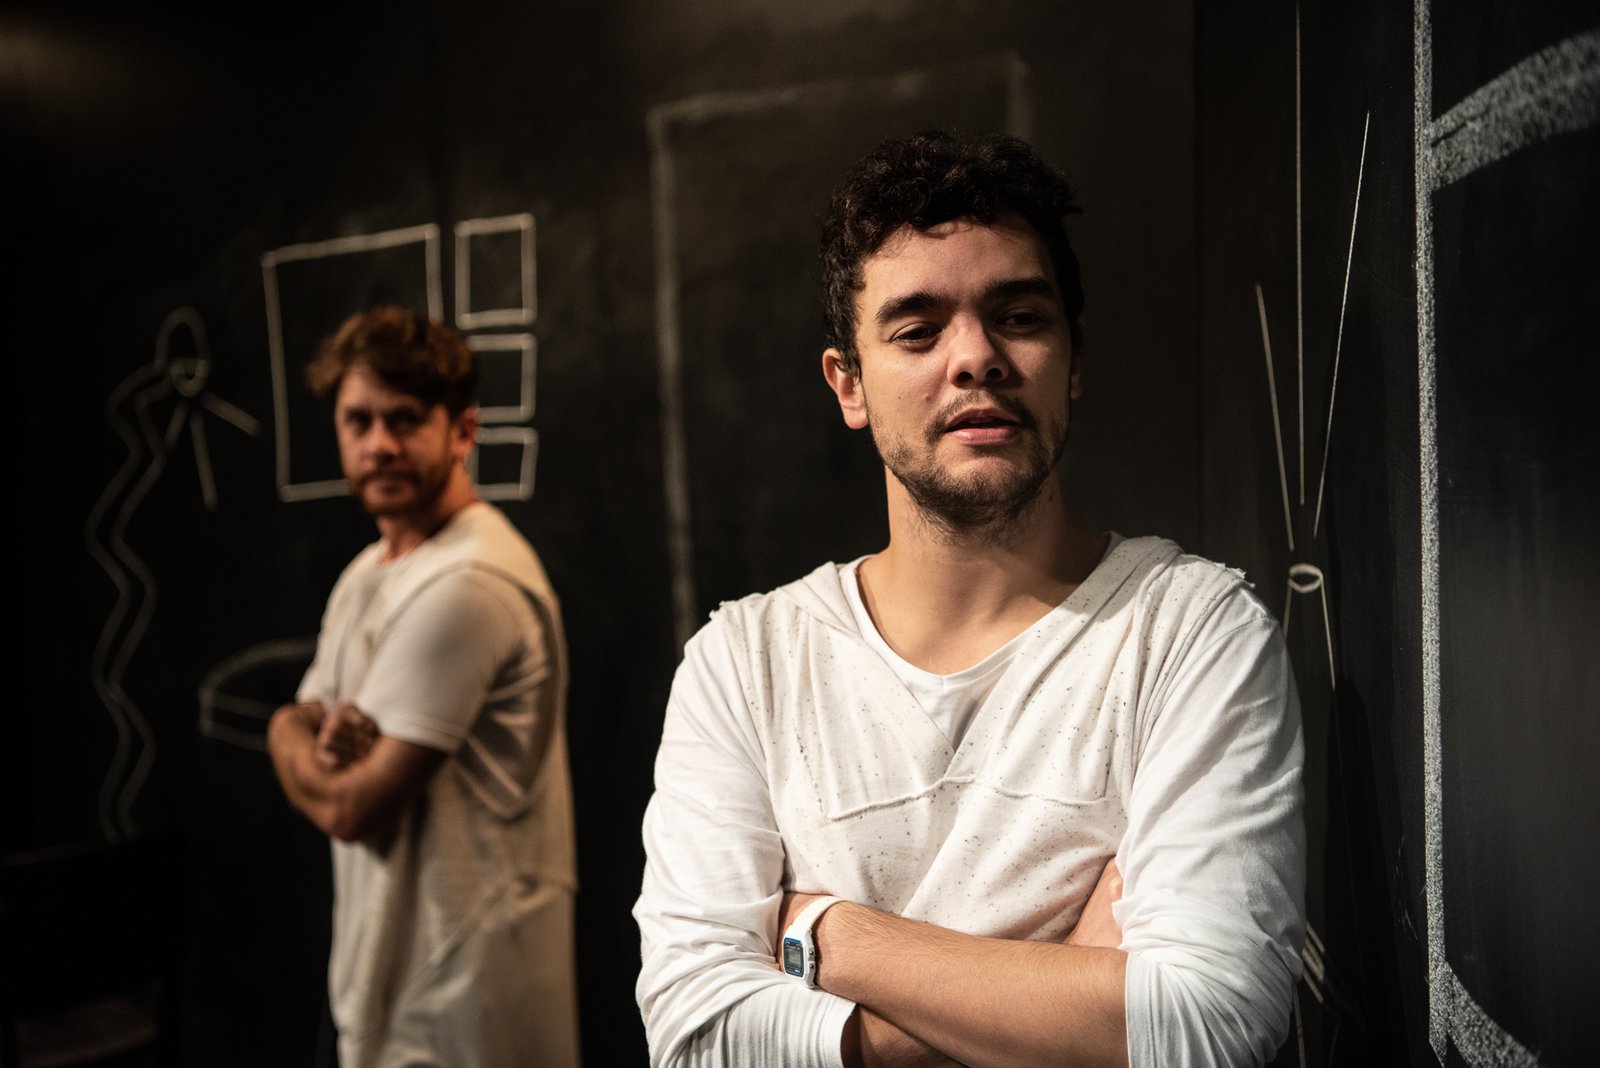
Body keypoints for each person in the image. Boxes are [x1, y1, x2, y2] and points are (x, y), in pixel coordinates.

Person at [634, 131, 1305, 1067]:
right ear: (848, 384)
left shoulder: (1192, 631)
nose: (976, 357)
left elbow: (1208, 1025)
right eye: (917, 331)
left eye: (1019, 316)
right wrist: (1078, 995)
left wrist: (827, 933)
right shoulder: (744, 663)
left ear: (1074, 357)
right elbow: (696, 1035)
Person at [267, 307, 579, 1068]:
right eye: (359, 421)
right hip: (394, 969)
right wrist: (297, 730)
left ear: (462, 430)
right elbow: (299, 717)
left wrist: (298, 746)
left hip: (463, 992)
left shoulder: (468, 581)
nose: (378, 444)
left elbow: (348, 806)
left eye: (403, 419)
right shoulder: (366, 575)